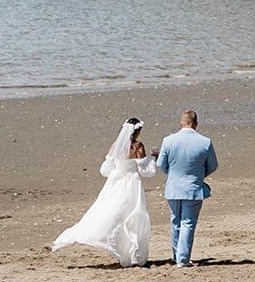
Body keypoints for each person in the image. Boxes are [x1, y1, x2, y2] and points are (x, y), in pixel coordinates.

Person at [51, 118, 156, 267]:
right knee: (134, 215)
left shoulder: (115, 146)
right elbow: (147, 172)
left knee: (111, 212)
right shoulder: (137, 146)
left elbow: (105, 170)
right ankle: (131, 254)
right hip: (131, 183)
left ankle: (119, 249)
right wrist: (152, 158)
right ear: (138, 131)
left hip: (116, 182)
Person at [155, 109, 218, 267]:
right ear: (196, 124)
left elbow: (161, 164)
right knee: (187, 222)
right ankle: (182, 259)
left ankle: (178, 256)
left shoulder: (168, 140)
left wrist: (172, 174)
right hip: (193, 187)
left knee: (176, 220)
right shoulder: (205, 141)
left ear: (181, 123)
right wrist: (199, 175)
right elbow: (213, 165)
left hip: (174, 186)